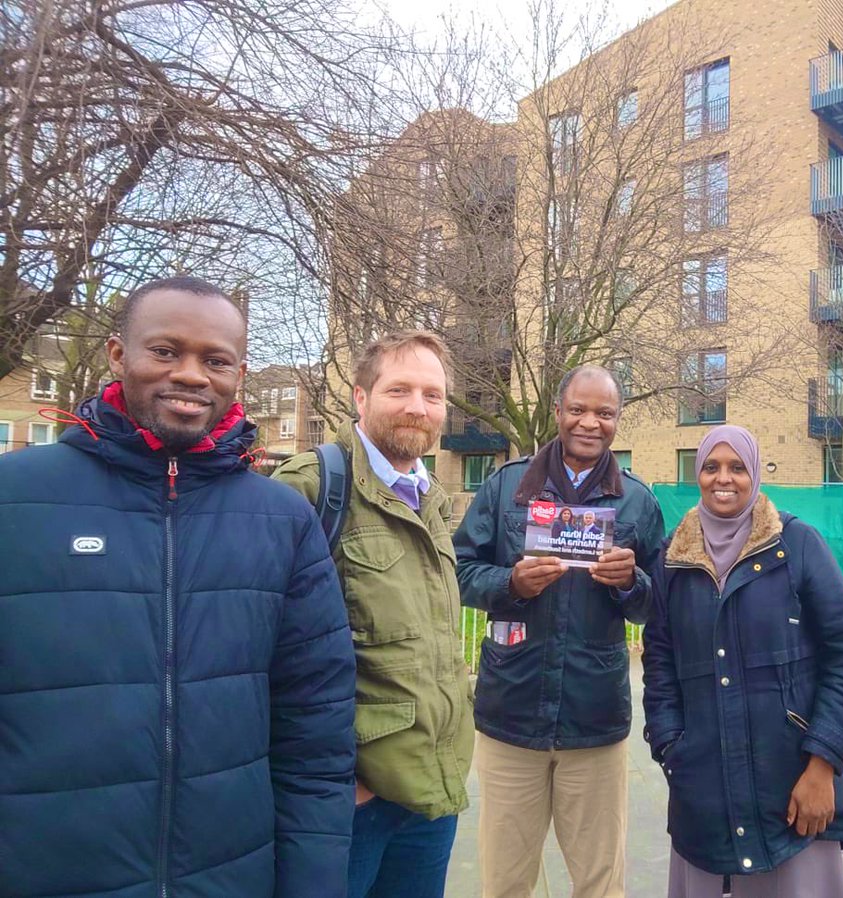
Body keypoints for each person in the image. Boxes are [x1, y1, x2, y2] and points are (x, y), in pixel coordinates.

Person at [0, 277, 357, 897]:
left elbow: (316, 735)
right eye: (165, 351)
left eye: (215, 360)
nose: (192, 374)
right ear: (118, 355)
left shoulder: (283, 521)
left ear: (238, 374)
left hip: (229, 876)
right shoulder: (15, 498)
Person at [273, 331, 474, 898]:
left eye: (433, 395)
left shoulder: (431, 497)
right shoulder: (310, 487)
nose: (418, 406)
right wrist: (342, 778)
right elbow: (261, 654)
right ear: (361, 398)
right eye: (400, 389)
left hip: (431, 792)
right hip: (348, 804)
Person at [454, 364, 665, 898]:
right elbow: (458, 571)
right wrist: (511, 584)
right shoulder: (506, 487)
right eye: (578, 409)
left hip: (593, 718)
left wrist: (630, 583)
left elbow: (658, 604)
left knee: (600, 882)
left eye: (604, 413)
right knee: (504, 881)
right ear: (557, 412)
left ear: (618, 420)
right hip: (511, 715)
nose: (590, 423)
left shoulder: (638, 500)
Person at [643, 425, 843, 897]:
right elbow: (660, 663)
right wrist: (671, 752)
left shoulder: (796, 545)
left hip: (793, 792)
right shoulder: (672, 560)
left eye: (736, 468)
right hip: (703, 792)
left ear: (754, 475)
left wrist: (823, 763)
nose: (722, 479)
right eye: (711, 467)